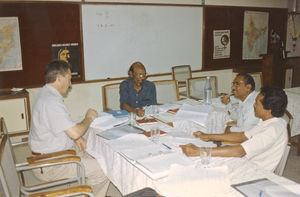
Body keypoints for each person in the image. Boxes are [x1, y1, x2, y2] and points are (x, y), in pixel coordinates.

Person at [29, 60, 109, 197]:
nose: (70, 84)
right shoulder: (51, 102)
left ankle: (90, 192)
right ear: (59, 78)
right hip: (50, 164)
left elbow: (62, 127)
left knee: (92, 149)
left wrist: (77, 137)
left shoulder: (46, 93)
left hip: (52, 152)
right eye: (69, 79)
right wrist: (88, 118)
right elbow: (74, 132)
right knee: (103, 170)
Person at [180, 86, 288, 171]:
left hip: (253, 171)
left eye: (257, 103)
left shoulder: (272, 130)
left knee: (202, 166)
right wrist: (207, 136)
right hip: (245, 162)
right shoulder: (268, 121)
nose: (253, 105)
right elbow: (242, 136)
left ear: (268, 109)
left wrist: (199, 151)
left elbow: (239, 151)